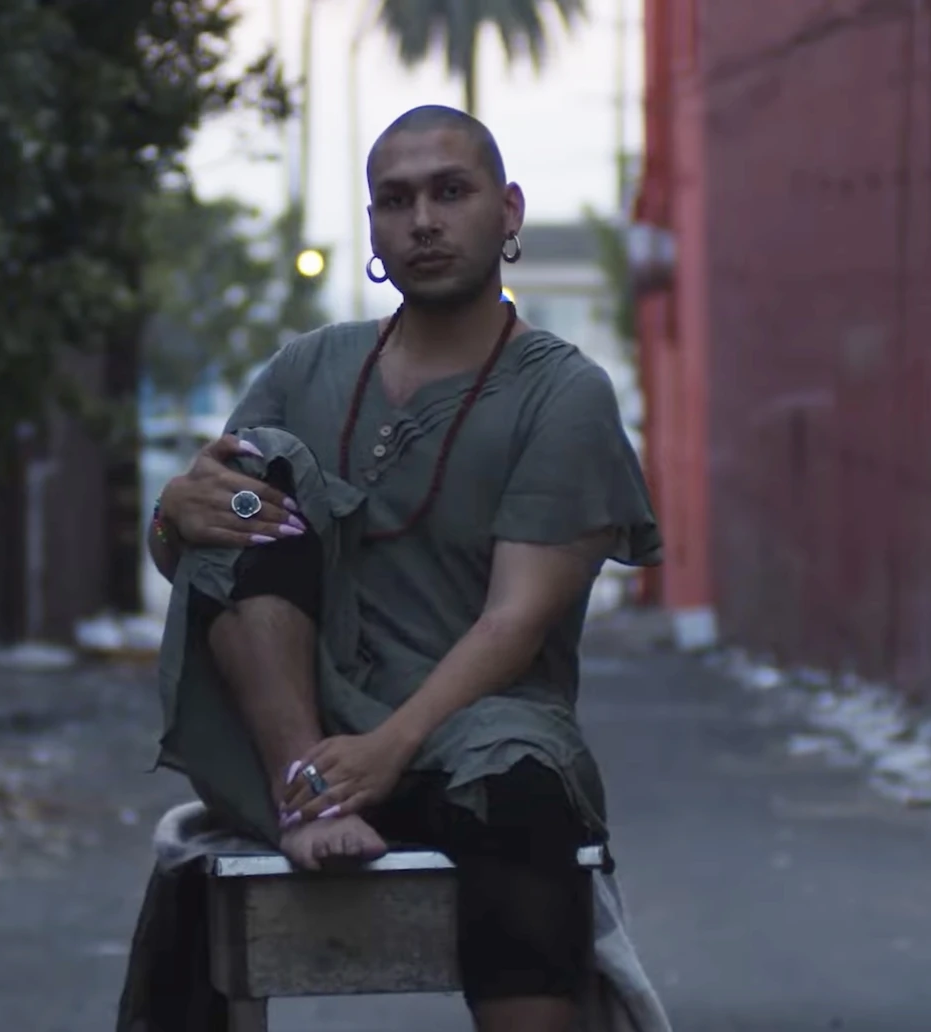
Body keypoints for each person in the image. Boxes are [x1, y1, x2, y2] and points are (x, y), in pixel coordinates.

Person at [143, 105, 661, 1032]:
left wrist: (387, 752)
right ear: (374, 228)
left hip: (480, 727)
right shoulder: (310, 367)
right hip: (300, 732)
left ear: (507, 213)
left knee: (525, 793)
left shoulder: (562, 392)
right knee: (259, 483)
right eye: (396, 200)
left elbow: (514, 621)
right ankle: (302, 796)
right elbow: (201, 551)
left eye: (450, 193)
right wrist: (170, 515)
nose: (422, 219)